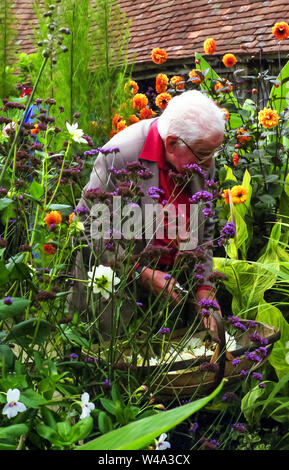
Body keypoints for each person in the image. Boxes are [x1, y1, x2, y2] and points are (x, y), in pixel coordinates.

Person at [69, 90, 225, 335]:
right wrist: (141, 273)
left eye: (213, 153)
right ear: (172, 143)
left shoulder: (200, 155)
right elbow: (88, 227)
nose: (210, 162)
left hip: (172, 294)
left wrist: (204, 286)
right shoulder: (120, 156)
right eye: (204, 154)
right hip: (114, 297)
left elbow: (204, 228)